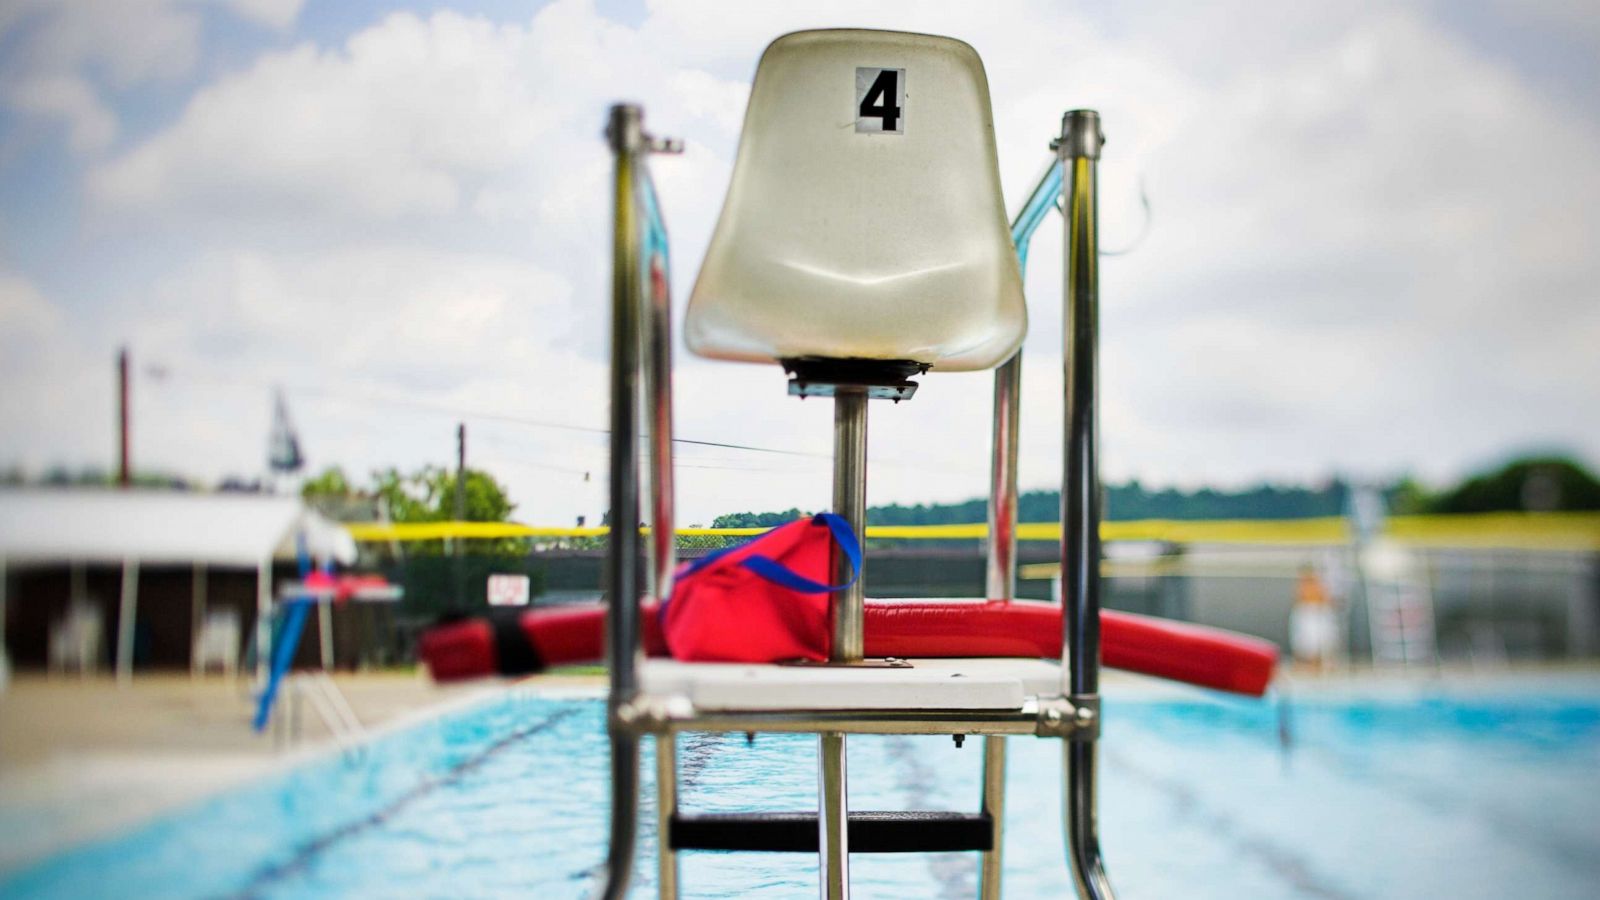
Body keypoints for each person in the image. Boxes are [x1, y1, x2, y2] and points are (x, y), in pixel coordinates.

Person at [1290, 564, 1339, 673]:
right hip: (1308, 613)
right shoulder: (1302, 587)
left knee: (1321, 640)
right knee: (1305, 641)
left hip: (1318, 614)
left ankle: (1319, 664)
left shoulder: (1320, 586)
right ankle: (1307, 664)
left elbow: (1326, 599)